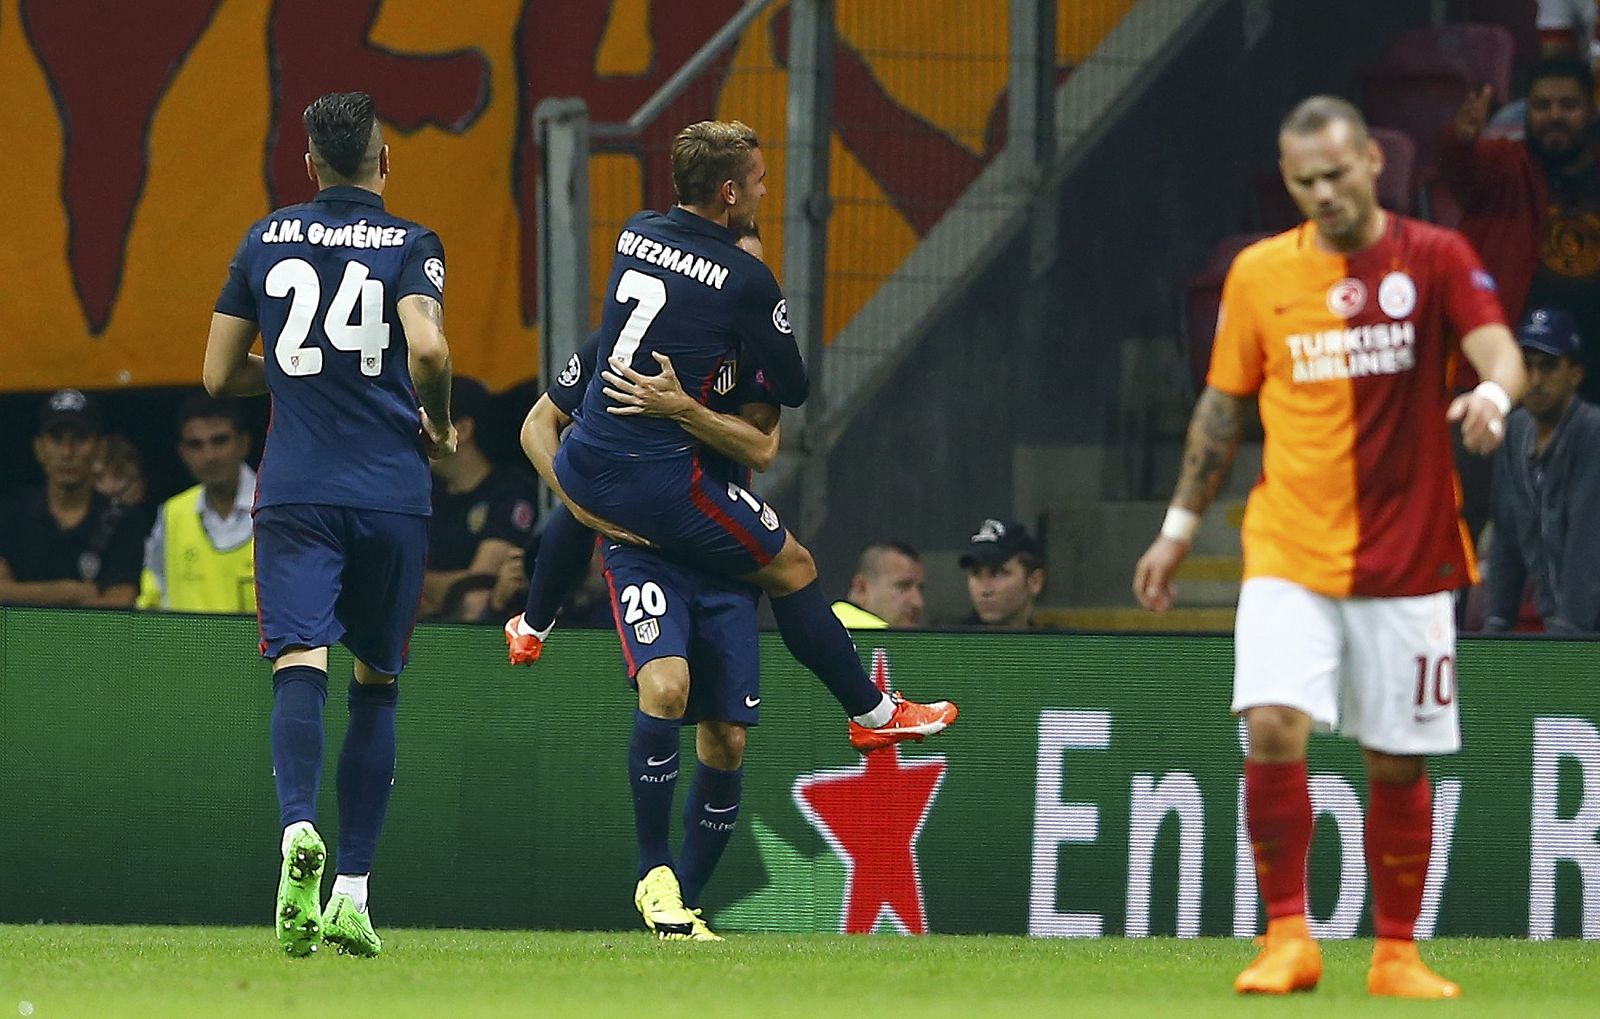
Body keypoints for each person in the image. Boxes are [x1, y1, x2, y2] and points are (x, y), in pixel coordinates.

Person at [1134, 96, 1525, 999]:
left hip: (1411, 553)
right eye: (1304, 181)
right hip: (1288, 547)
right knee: (1271, 723)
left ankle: (1396, 953)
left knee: (1395, 757)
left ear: (1372, 164)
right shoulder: (1259, 274)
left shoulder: (1435, 256)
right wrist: (1178, 530)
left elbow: (1498, 350)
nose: (1322, 193)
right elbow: (1225, 404)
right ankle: (1287, 939)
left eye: (1336, 174)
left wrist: (1493, 401)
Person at [537, 121, 956, 771]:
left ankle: (533, 623)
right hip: (664, 486)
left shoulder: (634, 231)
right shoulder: (745, 280)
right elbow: (792, 387)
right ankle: (874, 714)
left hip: (591, 459)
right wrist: (747, 332)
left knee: (694, 708)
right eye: (759, 179)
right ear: (729, 192)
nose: (767, 189)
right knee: (793, 567)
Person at [203, 91, 456, 959]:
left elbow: (215, 374)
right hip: (391, 491)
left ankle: (296, 829)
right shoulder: (413, 243)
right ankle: (352, 888)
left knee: (298, 662)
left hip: (298, 489)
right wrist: (443, 421)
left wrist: (300, 379)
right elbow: (426, 349)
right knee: (376, 681)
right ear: (386, 163)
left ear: (308, 166)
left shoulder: (265, 238)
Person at [1443, 56, 1600, 401]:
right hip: (1515, 366)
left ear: (1591, 110)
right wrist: (1461, 142)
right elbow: (1462, 174)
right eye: (1542, 105)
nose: (1555, 115)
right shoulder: (1504, 167)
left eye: (1568, 105)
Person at [1486, 307, 1600, 633]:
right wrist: (1497, 621)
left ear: (1575, 373)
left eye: (1549, 367)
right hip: (1556, 624)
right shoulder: (1514, 432)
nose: (1535, 380)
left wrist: (1568, 636)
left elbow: (1588, 543)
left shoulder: (1592, 432)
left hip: (1585, 630)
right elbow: (1505, 536)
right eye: (1527, 366)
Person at [0, 389, 146, 608]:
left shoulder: (123, 521)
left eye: (80, 439)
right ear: (39, 449)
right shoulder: (11, 514)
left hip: (93, 642)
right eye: (57, 440)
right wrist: (70, 592)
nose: (67, 452)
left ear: (99, 447)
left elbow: (120, 603)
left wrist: (25, 594)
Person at [422, 376, 537, 620]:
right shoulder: (424, 493)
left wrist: (409, 585)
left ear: (462, 430)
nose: (415, 432)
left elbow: (477, 586)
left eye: (425, 422)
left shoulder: (509, 493)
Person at [138, 393, 257, 613]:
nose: (209, 456)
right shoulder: (172, 513)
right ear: (182, 453)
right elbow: (152, 598)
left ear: (243, 443)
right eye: (196, 445)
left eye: (219, 440)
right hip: (185, 647)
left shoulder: (277, 509)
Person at [960, 519, 1046, 628]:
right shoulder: (948, 643)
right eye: (976, 573)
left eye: (998, 573)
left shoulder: (1054, 644)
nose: (985, 590)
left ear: (1035, 581)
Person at [830, 541, 925, 628]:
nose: (917, 602)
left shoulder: (824, 628)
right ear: (861, 588)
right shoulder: (882, 640)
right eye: (903, 586)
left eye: (920, 589)